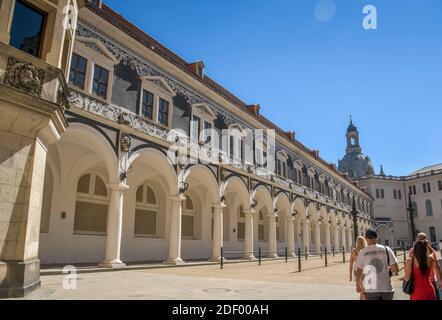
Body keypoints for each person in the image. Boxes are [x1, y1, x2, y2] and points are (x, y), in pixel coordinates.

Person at [355, 230, 399, 300]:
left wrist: (358, 284)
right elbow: (395, 269)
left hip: (370, 288)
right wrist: (390, 271)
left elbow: (359, 270)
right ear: (377, 237)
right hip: (386, 288)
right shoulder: (386, 249)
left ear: (366, 238)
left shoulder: (362, 252)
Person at [409, 233, 441, 300]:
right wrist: (440, 281)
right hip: (430, 281)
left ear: (416, 240)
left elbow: (409, 269)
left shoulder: (412, 251)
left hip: (416, 284)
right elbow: (437, 267)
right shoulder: (431, 250)